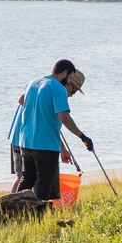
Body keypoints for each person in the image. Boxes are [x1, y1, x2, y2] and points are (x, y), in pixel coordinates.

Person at [13, 60, 93, 204]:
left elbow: (21, 100)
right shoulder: (58, 89)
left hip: (26, 142)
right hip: (45, 145)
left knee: (27, 180)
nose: (69, 83)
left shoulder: (33, 83)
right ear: (64, 73)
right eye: (70, 78)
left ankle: (13, 210)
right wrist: (82, 136)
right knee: (44, 186)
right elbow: (64, 117)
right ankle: (38, 218)